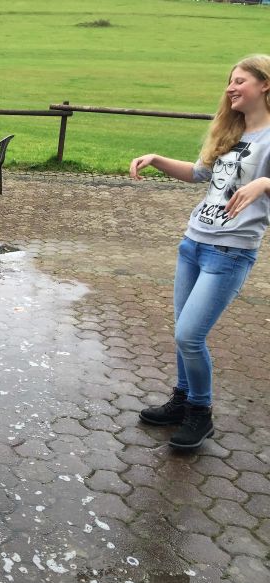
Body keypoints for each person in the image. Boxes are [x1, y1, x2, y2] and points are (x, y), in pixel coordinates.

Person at [130, 54, 270, 450]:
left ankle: (200, 412)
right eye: (230, 81)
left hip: (230, 252)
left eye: (240, 81)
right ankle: (181, 400)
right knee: (183, 333)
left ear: (265, 84)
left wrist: (264, 183)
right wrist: (156, 159)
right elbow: (198, 173)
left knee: (190, 335)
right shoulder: (232, 130)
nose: (230, 88)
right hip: (193, 244)